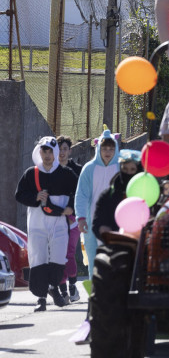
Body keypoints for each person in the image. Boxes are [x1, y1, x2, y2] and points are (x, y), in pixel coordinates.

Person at [15, 137, 78, 311]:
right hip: (36, 223)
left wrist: (70, 208)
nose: (48, 155)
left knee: (58, 257)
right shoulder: (30, 173)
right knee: (38, 258)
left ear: (55, 152)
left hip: (58, 222)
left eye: (51, 151)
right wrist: (35, 197)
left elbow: (79, 193)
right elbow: (19, 195)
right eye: (44, 151)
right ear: (39, 152)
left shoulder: (66, 174)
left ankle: (54, 286)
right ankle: (41, 298)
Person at [74, 130, 121, 278]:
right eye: (105, 148)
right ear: (98, 149)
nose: (108, 152)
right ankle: (95, 297)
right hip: (91, 223)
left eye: (111, 148)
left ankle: (113, 296)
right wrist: (81, 218)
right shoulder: (89, 168)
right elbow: (81, 195)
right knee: (94, 263)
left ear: (116, 149)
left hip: (116, 224)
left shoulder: (121, 168)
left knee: (113, 261)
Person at [90, 150, 144, 237]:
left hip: (141, 244)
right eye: (125, 169)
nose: (128, 173)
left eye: (132, 170)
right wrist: (102, 229)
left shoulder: (146, 195)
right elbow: (97, 223)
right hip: (115, 243)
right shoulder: (107, 196)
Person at [55, 135, 81, 303]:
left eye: (65, 149)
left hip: (73, 218)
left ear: (70, 151)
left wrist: (73, 214)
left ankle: (72, 285)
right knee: (58, 255)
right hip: (56, 218)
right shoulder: (51, 170)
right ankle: (63, 289)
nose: (62, 153)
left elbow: (81, 194)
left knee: (69, 253)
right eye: (59, 149)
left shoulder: (77, 170)